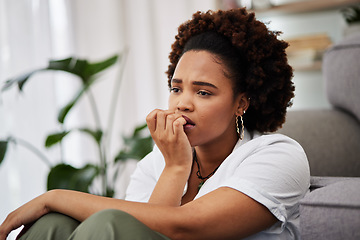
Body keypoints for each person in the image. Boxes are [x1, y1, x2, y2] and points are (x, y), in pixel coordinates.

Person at [0, 8, 310, 240]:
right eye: (176, 88)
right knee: (53, 224)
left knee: (105, 224)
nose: (182, 102)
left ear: (241, 102)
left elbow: (181, 227)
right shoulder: (154, 163)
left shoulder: (279, 155)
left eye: (203, 92)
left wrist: (54, 196)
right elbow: (145, 231)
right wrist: (172, 168)